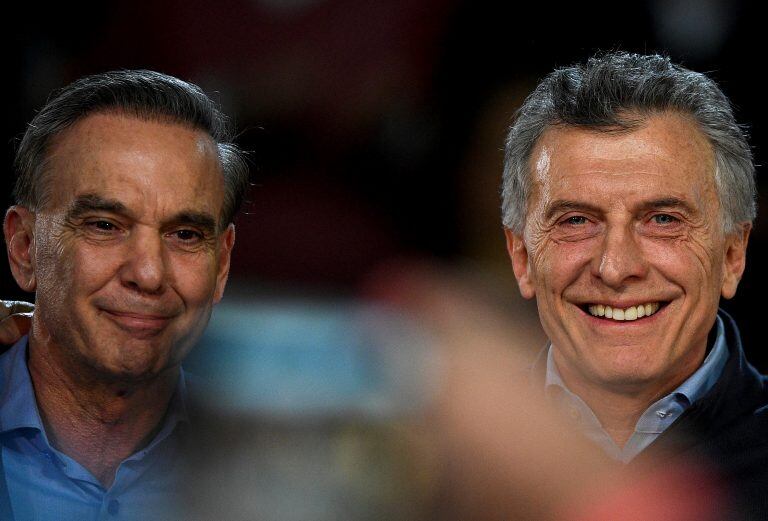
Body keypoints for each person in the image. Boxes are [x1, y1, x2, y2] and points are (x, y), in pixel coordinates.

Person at [502, 52, 768, 518]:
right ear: (521, 257)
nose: (615, 266)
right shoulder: (434, 463)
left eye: (663, 219)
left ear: (732, 255)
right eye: (576, 220)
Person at [0, 70, 248, 520]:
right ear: (25, 248)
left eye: (186, 234)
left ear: (222, 265)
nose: (149, 274)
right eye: (104, 226)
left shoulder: (273, 471)